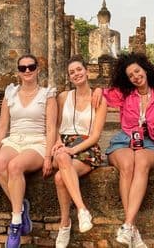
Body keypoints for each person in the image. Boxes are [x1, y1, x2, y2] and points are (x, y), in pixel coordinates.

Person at [0, 54, 57, 248]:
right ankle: (21, 207)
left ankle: (15, 223)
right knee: (0, 163)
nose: (27, 71)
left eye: (31, 67)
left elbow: (51, 128)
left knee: (15, 166)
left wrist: (49, 156)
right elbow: (2, 126)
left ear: (37, 69)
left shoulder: (47, 94)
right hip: (15, 139)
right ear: (18, 71)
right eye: (23, 68)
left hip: (37, 142)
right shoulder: (10, 92)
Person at [101, 52, 154, 248]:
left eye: (137, 71)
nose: (135, 77)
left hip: (149, 142)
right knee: (127, 165)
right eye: (131, 75)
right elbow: (101, 93)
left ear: (145, 70)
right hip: (124, 139)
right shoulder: (125, 93)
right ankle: (131, 227)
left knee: (141, 163)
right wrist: (97, 92)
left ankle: (128, 225)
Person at [52, 55, 107, 248]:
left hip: (86, 145)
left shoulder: (99, 99)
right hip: (63, 142)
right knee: (60, 155)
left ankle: (64, 224)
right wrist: (58, 142)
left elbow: (95, 135)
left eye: (79, 70)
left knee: (60, 178)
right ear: (69, 77)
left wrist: (72, 149)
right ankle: (82, 210)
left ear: (87, 71)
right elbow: (56, 125)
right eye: (72, 72)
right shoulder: (63, 97)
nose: (76, 74)